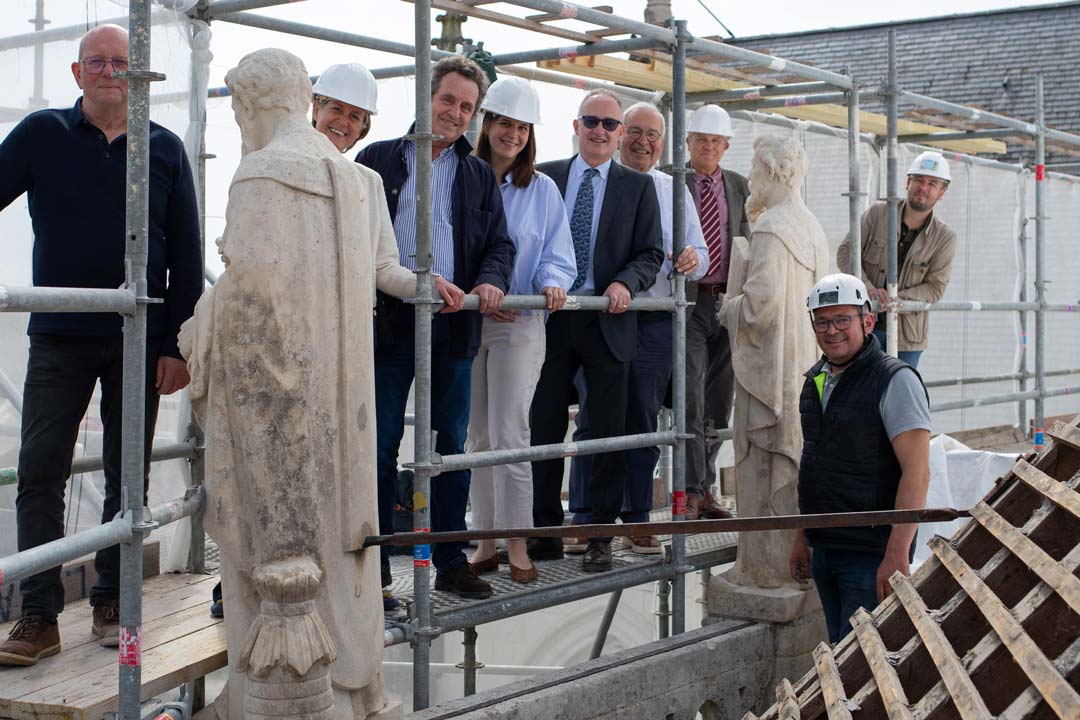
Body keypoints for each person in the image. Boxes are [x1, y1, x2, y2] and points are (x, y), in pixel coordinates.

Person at [180, 48, 397, 718]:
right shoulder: (346, 175)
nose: (241, 124)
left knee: (272, 549)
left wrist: (201, 325)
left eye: (239, 111)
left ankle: (267, 693)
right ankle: (352, 691)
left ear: (251, 102)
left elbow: (251, 313)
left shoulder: (263, 172)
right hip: (338, 409)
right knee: (335, 551)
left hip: (278, 411)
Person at [0, 24, 201, 665]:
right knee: (39, 471)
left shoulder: (164, 148)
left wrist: (177, 345)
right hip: (59, 333)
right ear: (77, 72)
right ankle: (38, 616)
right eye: (97, 62)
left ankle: (112, 600)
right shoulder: (42, 134)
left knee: (127, 473)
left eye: (122, 62)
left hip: (137, 336)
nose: (110, 72)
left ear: (139, 75)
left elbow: (187, 256)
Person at [357, 56, 516, 600]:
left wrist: (491, 280)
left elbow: (500, 245)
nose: (455, 112)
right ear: (426, 99)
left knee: (450, 445)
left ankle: (449, 559)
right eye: (448, 99)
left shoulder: (478, 174)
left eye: (467, 107)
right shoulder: (376, 160)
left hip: (453, 326)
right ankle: (375, 567)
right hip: (387, 324)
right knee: (379, 444)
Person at [528, 89, 664, 573]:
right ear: (576, 125)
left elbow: (651, 253)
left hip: (608, 318)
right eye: (592, 121)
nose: (600, 131)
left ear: (620, 134)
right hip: (551, 316)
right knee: (543, 427)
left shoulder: (638, 187)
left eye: (609, 124)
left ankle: (599, 536)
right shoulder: (545, 176)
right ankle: (544, 531)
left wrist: (624, 282)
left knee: (607, 432)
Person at [566, 102, 709, 555]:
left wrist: (692, 258)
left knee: (643, 419)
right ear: (620, 134)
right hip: (603, 315)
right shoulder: (596, 180)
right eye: (634, 131)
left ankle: (637, 518)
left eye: (653, 135)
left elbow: (703, 256)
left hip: (652, 318)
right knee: (593, 418)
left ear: (663, 143)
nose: (642, 142)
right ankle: (586, 516)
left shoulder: (672, 189)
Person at [465, 77, 576, 583]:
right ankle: (484, 539)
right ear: (487, 124)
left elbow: (558, 253)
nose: (512, 134)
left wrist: (548, 285)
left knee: (511, 434)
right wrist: (478, 293)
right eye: (504, 123)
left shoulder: (543, 190)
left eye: (522, 127)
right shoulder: (464, 179)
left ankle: (517, 543)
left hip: (521, 325)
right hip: (470, 323)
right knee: (478, 438)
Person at [791, 273, 931, 643]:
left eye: (842, 319)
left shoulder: (895, 380)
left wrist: (897, 553)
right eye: (822, 321)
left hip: (871, 554)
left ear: (868, 321)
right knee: (841, 653)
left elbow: (917, 473)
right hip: (827, 549)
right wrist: (803, 536)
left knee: (862, 660)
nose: (831, 330)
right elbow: (815, 465)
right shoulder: (816, 381)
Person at [717, 135, 828, 591]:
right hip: (802, 367)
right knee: (790, 462)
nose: (751, 179)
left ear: (772, 172)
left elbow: (759, 307)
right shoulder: (811, 227)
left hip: (770, 369)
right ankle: (789, 567)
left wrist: (728, 308)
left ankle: (761, 571)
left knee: (759, 467)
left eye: (755, 170)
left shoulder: (768, 229)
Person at [684, 104, 749, 520]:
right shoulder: (673, 180)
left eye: (716, 141)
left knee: (720, 401)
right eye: (701, 140)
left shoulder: (741, 186)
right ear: (688, 141)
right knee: (689, 397)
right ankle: (690, 490)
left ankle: (705, 486)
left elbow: (750, 239)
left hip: (727, 301)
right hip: (690, 301)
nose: (708, 147)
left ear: (726, 146)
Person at [836, 151, 956, 367]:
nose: (923, 187)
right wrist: (869, 289)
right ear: (907, 182)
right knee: (857, 385)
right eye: (919, 179)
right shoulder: (876, 214)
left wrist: (896, 299)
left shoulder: (944, 237)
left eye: (932, 183)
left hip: (907, 338)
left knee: (898, 387)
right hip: (862, 327)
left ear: (942, 192)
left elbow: (935, 288)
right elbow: (846, 253)